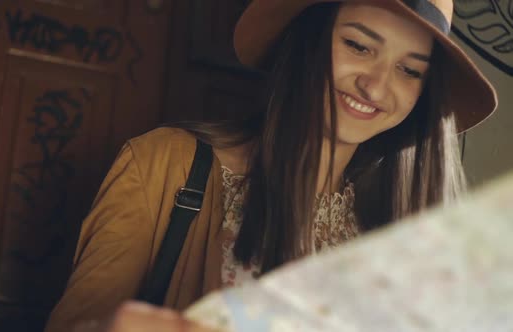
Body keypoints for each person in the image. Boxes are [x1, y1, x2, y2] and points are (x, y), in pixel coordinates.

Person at [45, 0, 497, 330]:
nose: (376, 86)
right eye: (359, 46)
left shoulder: (403, 229)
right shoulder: (163, 164)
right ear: (308, 41)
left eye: (410, 70)